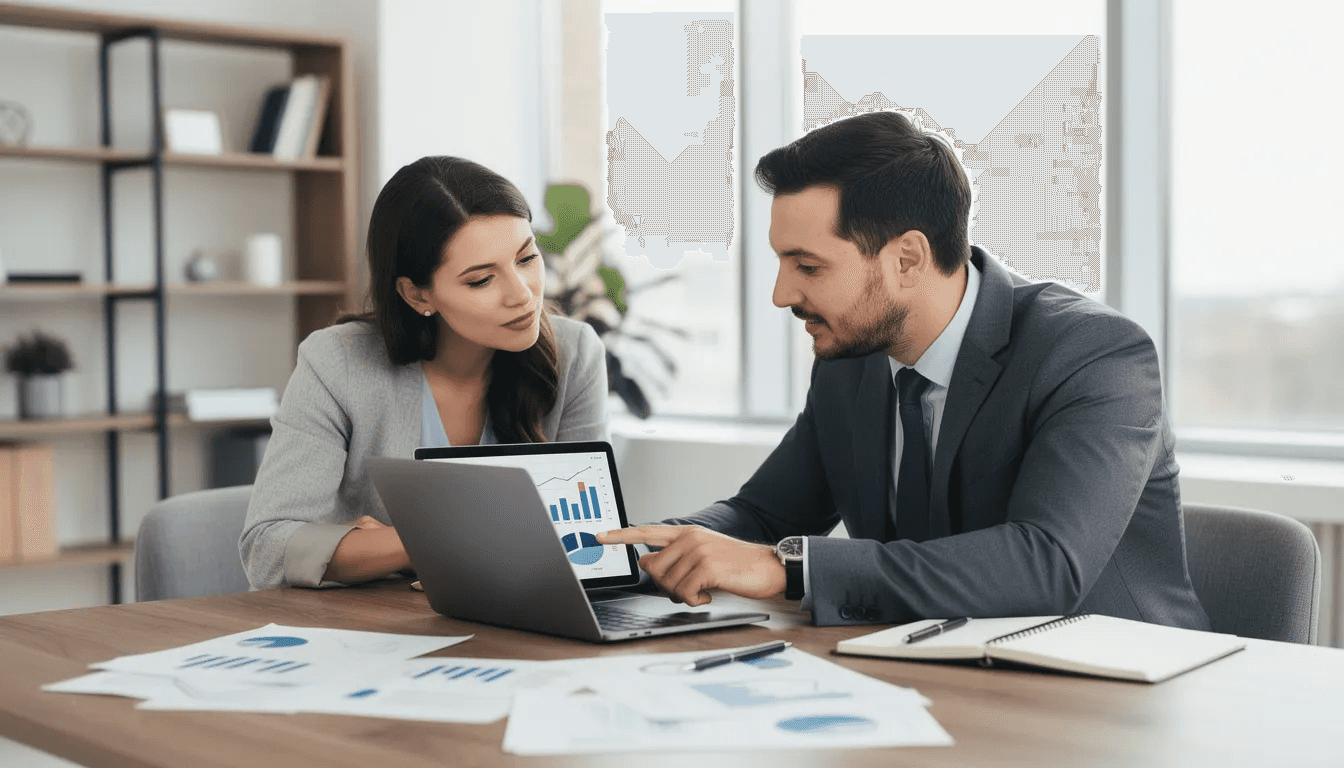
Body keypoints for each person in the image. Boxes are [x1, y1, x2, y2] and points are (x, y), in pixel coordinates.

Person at [600, 112, 1211, 630]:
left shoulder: (1093, 354)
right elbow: (765, 516)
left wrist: (791, 569)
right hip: (933, 677)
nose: (781, 295)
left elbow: (1045, 566)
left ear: (908, 259)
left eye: (807, 266)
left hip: (1110, 694)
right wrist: (645, 547)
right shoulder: (852, 362)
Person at [241, 156, 609, 590]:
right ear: (417, 294)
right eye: (481, 281)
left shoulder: (575, 353)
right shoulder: (339, 363)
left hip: (525, 619)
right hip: (370, 633)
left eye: (526, 258)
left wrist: (377, 546)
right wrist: (431, 544)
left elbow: (590, 545)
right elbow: (267, 549)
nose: (522, 295)